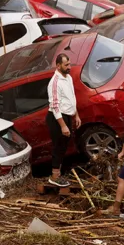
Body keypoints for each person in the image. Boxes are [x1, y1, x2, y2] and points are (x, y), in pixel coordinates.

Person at [46, 54, 81, 187]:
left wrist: (76, 115)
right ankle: (54, 176)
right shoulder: (55, 82)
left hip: (67, 115)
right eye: (66, 65)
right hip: (57, 118)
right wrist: (63, 126)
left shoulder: (69, 78)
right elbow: (55, 106)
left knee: (65, 145)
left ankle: (58, 173)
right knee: (58, 146)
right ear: (58, 65)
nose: (69, 67)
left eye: (69, 64)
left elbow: (71, 98)